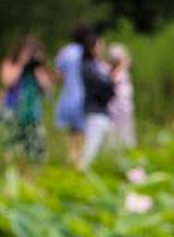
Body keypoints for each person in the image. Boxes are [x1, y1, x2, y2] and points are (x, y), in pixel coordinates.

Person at [0, 35, 52, 165]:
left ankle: (30, 177)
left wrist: (37, 69)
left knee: (37, 151)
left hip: (33, 115)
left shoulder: (39, 70)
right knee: (10, 148)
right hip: (11, 111)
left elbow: (47, 88)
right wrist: (22, 64)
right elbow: (7, 81)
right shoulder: (10, 63)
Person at [54, 23, 93, 167]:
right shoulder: (87, 52)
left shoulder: (65, 52)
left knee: (71, 132)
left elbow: (58, 77)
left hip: (67, 96)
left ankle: (71, 158)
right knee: (83, 132)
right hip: (85, 97)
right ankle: (79, 163)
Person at [78, 30, 115, 171]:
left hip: (103, 111)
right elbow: (101, 87)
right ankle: (83, 173)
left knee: (108, 148)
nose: (102, 49)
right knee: (91, 150)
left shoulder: (98, 65)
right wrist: (113, 79)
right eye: (100, 46)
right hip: (94, 111)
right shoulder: (88, 67)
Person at [106, 42, 137, 149]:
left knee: (127, 133)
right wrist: (122, 66)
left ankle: (127, 149)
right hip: (116, 107)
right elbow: (113, 81)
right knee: (116, 134)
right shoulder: (114, 71)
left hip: (124, 107)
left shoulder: (123, 71)